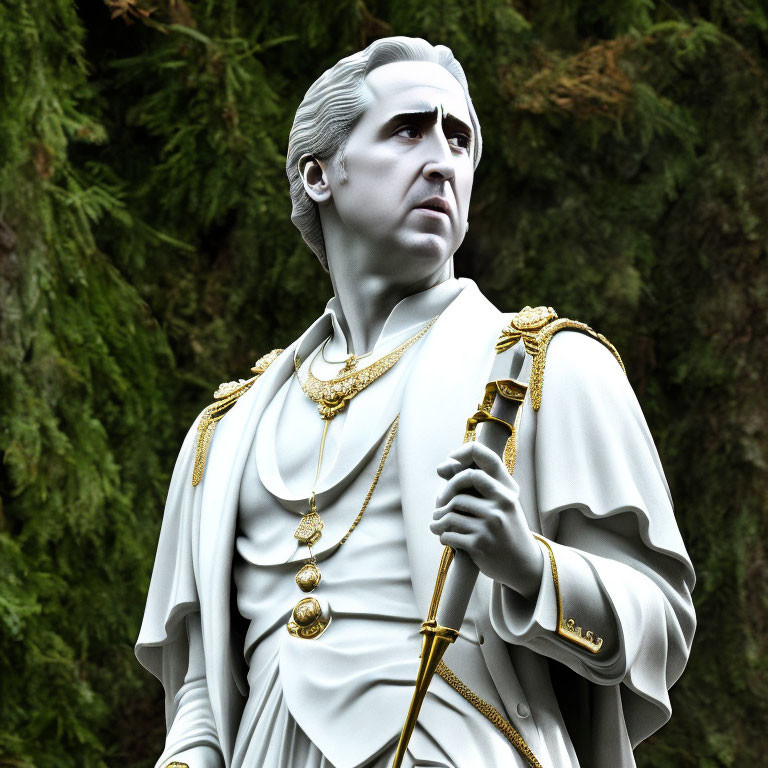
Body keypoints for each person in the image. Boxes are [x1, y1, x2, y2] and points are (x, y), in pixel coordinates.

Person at [136, 36, 696, 768]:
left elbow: (660, 627)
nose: (442, 161)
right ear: (319, 174)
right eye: (408, 129)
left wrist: (528, 565)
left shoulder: (547, 368)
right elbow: (204, 695)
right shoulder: (229, 429)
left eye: (458, 138)